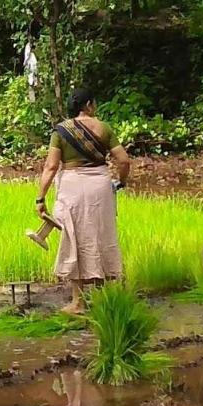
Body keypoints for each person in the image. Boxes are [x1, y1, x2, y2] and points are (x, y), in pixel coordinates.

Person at [36, 88, 131, 312]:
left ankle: (78, 301)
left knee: (74, 237)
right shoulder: (104, 128)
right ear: (88, 105)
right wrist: (121, 182)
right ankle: (101, 298)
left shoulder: (61, 131)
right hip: (100, 187)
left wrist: (40, 198)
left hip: (72, 187)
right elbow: (124, 161)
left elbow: (51, 166)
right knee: (101, 235)